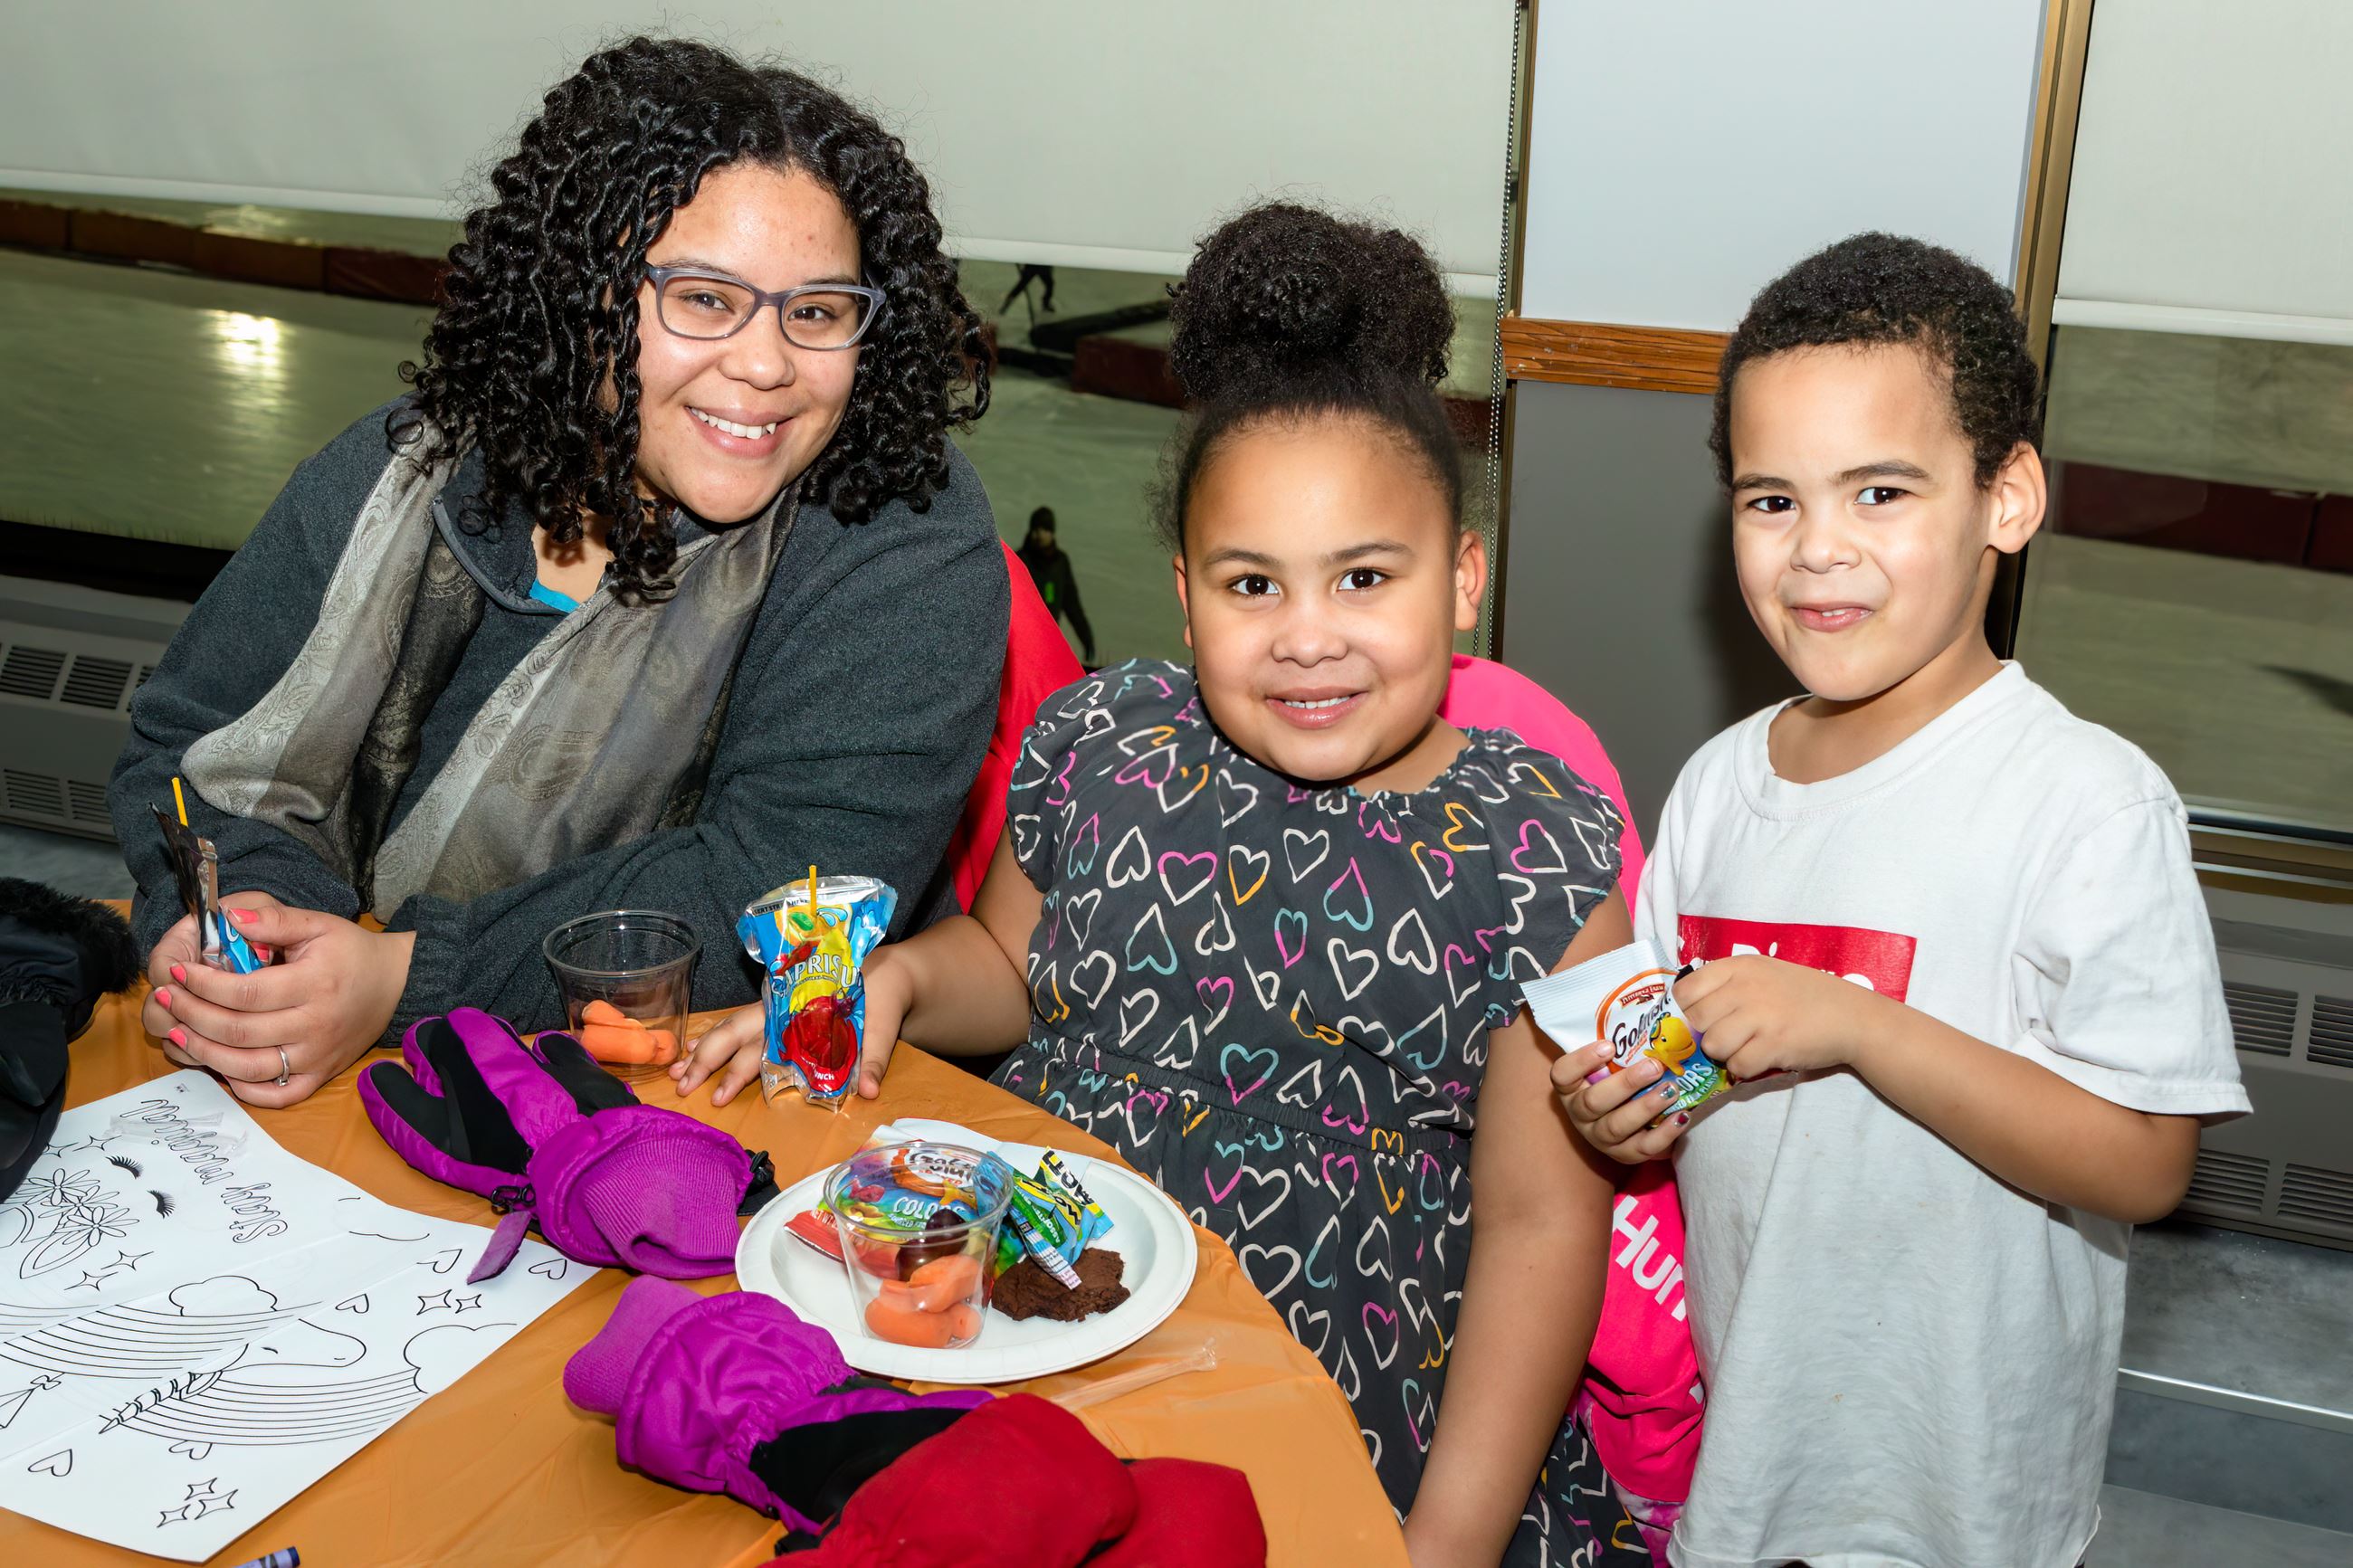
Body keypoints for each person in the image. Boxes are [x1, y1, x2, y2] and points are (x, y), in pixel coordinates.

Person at [686, 204, 1663, 1567]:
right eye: (1254, 583)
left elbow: (1540, 1221)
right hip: (1038, 1308)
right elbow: (1012, 969)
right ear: (1188, 598)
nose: (1308, 637)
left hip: (1343, 1388)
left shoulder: (1533, 854)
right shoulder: (1103, 743)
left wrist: (1443, 1539)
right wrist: (904, 972)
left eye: (1365, 578)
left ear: (1462, 583)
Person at [107, 37, 1008, 1107]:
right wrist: (249, 941)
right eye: (704, 299)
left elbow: (790, 891)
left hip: (684, 1101)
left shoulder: (900, 535)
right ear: (580, 293)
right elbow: (194, 741)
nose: (766, 364)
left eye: (815, 312)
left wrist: (401, 978)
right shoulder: (406, 473)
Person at [1556, 233, 2249, 1568]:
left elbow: (2149, 1162)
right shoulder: (1717, 785)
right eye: (1772, 501)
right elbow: (1677, 1059)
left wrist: (1862, 1024)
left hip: (1955, 1476)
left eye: (1880, 492)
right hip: (1749, 1437)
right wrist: (1628, 1105)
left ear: (2008, 495)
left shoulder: (2086, 803)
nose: (1819, 552)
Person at [1017, 506, 1096, 665]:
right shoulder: (1020, 560)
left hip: (1049, 641)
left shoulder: (1060, 563)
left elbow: (1072, 605)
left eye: (1045, 529)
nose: (1040, 534)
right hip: (1022, 643)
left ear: (1052, 532)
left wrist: (1086, 639)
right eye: (1036, 529)